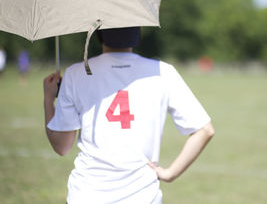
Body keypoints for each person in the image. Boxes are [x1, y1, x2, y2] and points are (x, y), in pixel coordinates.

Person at [43, 27, 215, 204]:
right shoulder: (163, 72)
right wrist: (170, 174)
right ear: (137, 33)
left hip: (87, 194)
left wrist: (49, 99)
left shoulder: (75, 73)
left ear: (99, 34)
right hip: (143, 196)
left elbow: (61, 146)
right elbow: (205, 130)